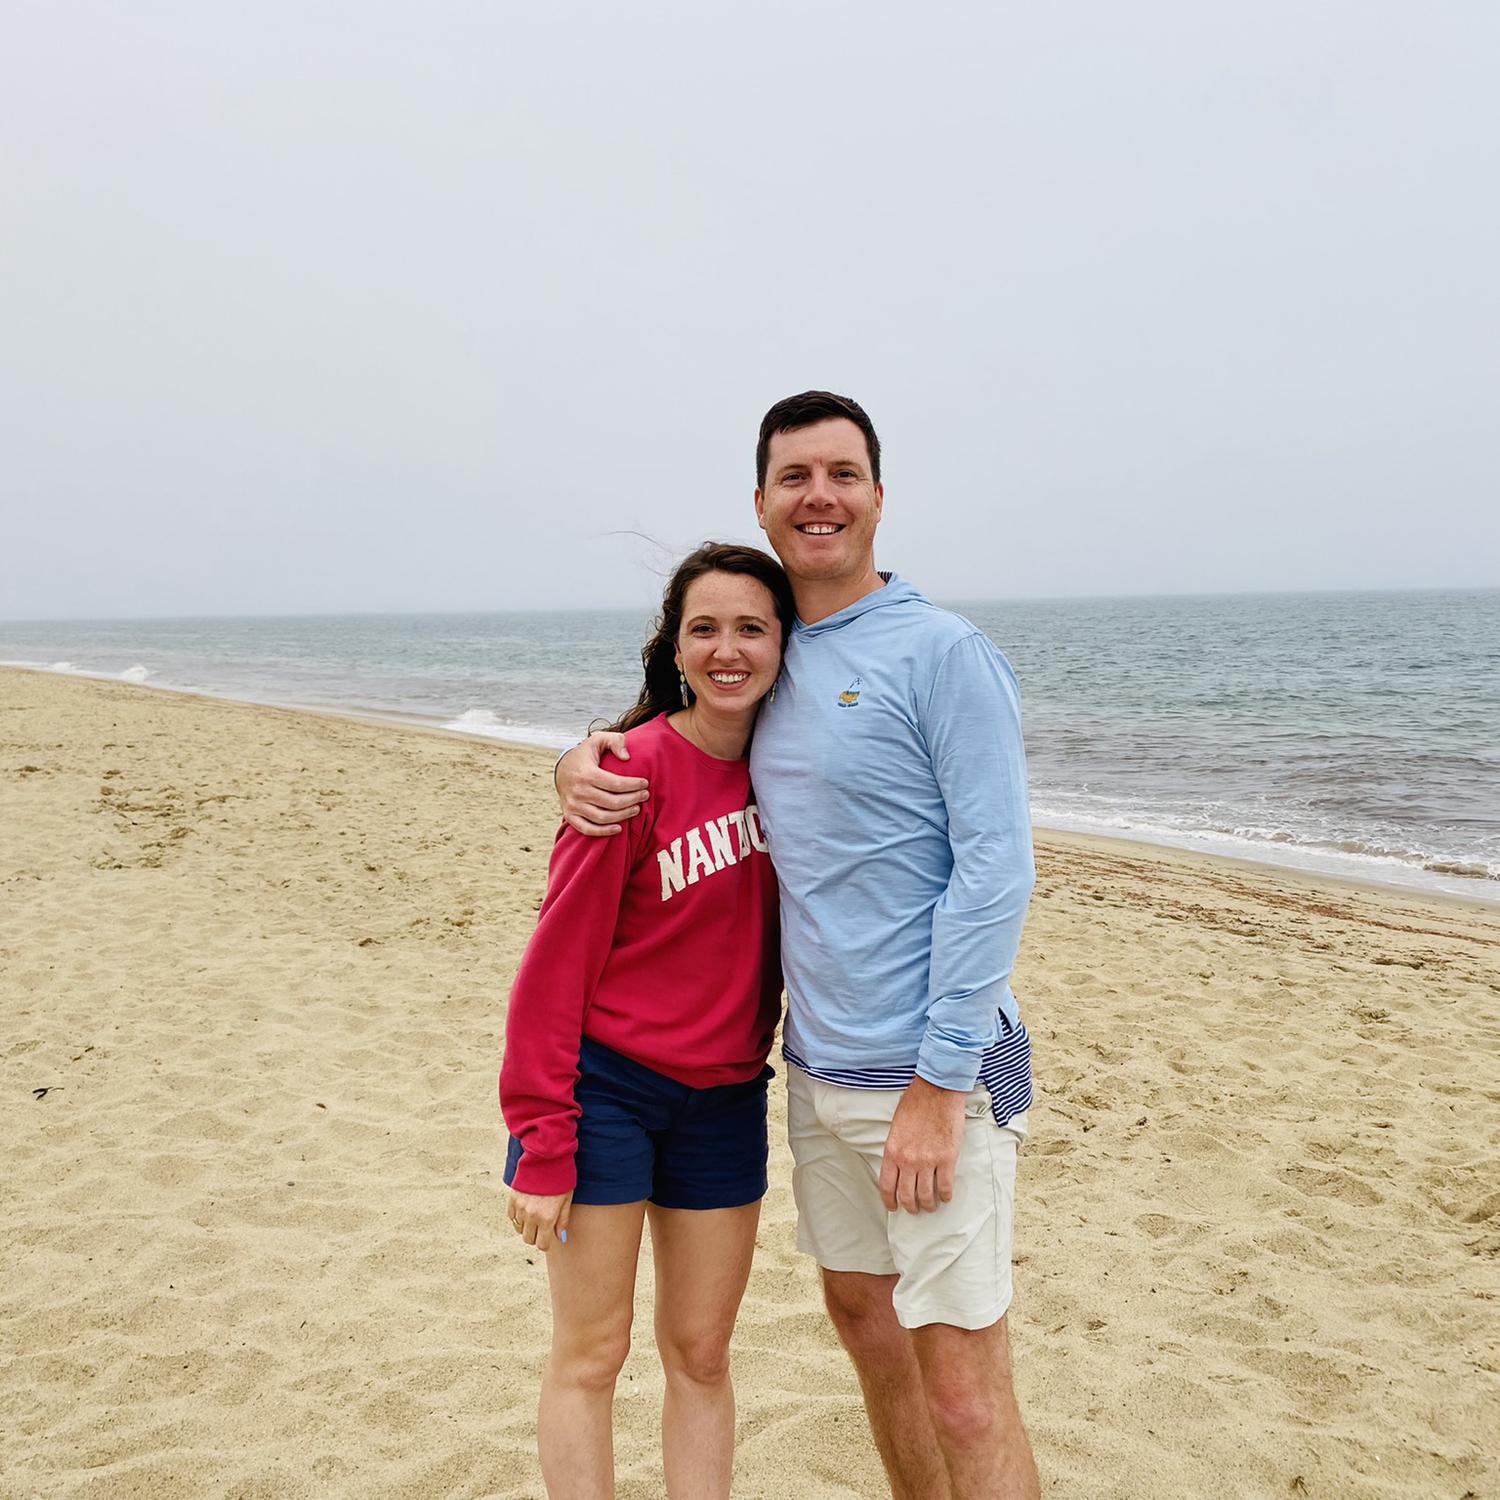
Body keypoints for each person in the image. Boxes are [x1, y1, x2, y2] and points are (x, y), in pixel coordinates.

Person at [556, 392, 1041, 1500]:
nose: (819, 496)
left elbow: (996, 872)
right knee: (867, 1330)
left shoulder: (943, 652)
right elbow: (681, 738)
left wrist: (939, 1081)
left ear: (877, 495)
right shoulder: (769, 653)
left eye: (842, 473)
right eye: (795, 477)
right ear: (764, 502)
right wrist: (577, 757)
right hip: (812, 1075)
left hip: (930, 1077)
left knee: (963, 1382)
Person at [499, 541, 794, 1499]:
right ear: (674, 647)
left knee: (702, 1353)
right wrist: (544, 1140)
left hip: (725, 1102)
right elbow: (553, 970)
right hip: (607, 1094)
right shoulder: (627, 774)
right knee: (593, 1352)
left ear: (785, 643)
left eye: (751, 627)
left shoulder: (799, 774)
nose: (728, 649)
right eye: (703, 628)